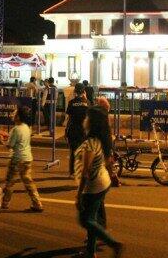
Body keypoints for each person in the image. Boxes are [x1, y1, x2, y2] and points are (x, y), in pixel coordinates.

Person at [75, 106, 124, 258]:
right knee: (93, 218)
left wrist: (79, 193)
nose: (85, 120)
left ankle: (113, 243)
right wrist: (113, 176)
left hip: (94, 187)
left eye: (87, 118)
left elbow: (86, 171)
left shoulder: (91, 142)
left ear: (92, 122)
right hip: (103, 183)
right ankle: (90, 252)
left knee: (85, 220)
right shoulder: (102, 138)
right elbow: (108, 161)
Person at [0, 106, 43, 212]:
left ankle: (4, 203)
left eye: (15, 113)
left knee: (9, 182)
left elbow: (10, 145)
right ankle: (37, 203)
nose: (12, 115)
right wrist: (8, 136)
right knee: (28, 182)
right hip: (27, 159)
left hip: (17, 159)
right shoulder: (26, 127)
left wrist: (2, 140)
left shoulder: (16, 129)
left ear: (18, 117)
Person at [63, 83, 89, 176]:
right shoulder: (88, 103)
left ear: (75, 92)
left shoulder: (71, 103)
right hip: (84, 131)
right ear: (84, 92)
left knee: (73, 151)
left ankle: (72, 172)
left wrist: (66, 131)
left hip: (73, 130)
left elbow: (69, 118)